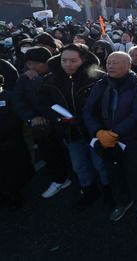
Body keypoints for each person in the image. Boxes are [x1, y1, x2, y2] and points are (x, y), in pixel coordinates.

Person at [38, 43, 110, 210]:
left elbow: (106, 104)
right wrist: (57, 117)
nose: (68, 64)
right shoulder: (51, 79)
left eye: (73, 60)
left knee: (100, 164)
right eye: (64, 60)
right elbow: (43, 102)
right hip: (70, 132)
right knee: (79, 166)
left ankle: (109, 191)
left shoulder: (98, 77)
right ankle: (89, 191)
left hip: (94, 131)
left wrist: (88, 119)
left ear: (83, 59)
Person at [83, 52, 137, 222]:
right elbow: (88, 111)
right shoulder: (101, 84)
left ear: (128, 66)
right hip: (105, 139)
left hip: (130, 140)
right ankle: (122, 201)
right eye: (109, 62)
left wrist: (115, 132)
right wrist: (98, 132)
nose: (110, 66)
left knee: (136, 173)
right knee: (114, 173)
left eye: (116, 63)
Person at [12, 47, 72, 199]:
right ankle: (60, 179)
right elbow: (18, 100)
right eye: (28, 64)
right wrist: (32, 117)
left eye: (34, 63)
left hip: (65, 122)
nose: (30, 67)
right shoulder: (24, 78)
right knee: (50, 152)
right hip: (42, 125)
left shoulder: (61, 73)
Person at [0, 74, 34, 208]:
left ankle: (14, 195)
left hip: (10, 142)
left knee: (12, 171)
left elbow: (17, 119)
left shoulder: (9, 97)